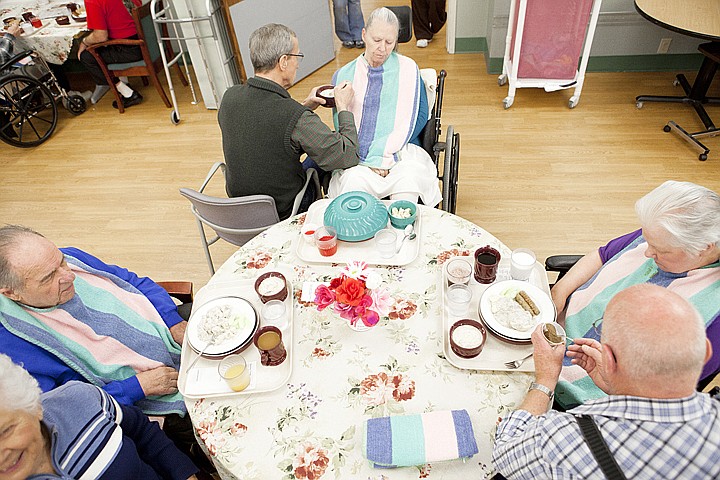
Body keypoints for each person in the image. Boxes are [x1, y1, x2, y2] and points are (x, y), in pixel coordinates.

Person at [492, 284, 720, 479]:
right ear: (705, 352)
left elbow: (504, 452)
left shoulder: (566, 439)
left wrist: (547, 378)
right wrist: (618, 387)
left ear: (608, 359)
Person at [551, 180, 720, 408]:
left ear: (705, 247)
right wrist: (559, 292)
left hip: (586, 393)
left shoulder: (713, 318)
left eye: (661, 250)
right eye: (647, 240)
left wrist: (613, 381)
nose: (647, 252)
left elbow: (662, 396)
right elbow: (602, 254)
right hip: (556, 331)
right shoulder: (663, 231)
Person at [218, 23, 360, 220]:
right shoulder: (295, 117)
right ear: (283, 61)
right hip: (282, 213)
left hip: (239, 210)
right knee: (325, 162)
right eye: (297, 57)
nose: (298, 64)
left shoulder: (229, 97)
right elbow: (347, 155)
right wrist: (343, 107)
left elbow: (266, 130)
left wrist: (304, 106)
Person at [0, 353, 199, 480]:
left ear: (35, 407)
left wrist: (185, 474)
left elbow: (142, 431)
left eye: (5, 431)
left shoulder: (77, 398)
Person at [327, 7, 442, 207]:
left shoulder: (408, 68)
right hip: (359, 155)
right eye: (376, 40)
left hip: (402, 149)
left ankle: (405, 233)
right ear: (364, 35)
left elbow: (421, 115)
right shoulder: (345, 75)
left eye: (389, 42)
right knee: (352, 186)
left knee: (408, 183)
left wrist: (386, 152)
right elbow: (340, 123)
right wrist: (371, 158)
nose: (382, 48)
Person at [78, 0, 144, 108]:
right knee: (103, 44)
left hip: (131, 49)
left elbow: (101, 36)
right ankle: (125, 84)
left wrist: (84, 42)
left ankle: (128, 94)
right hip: (146, 40)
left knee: (87, 56)